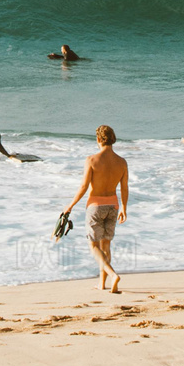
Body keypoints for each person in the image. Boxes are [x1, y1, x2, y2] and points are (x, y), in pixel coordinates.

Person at [62, 125, 129, 293]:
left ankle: (113, 275)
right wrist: (124, 208)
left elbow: (84, 186)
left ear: (98, 139)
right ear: (113, 139)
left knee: (93, 246)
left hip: (95, 207)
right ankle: (102, 284)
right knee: (106, 245)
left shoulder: (92, 160)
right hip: (113, 206)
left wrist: (70, 205)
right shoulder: (122, 162)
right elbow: (124, 188)